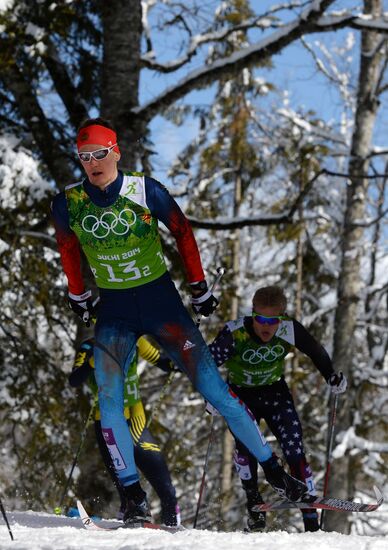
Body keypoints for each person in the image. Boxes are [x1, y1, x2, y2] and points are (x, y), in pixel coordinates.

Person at [51, 117, 308, 527]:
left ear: (115, 152)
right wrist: (77, 293)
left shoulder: (144, 190)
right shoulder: (68, 202)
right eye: (84, 157)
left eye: (100, 154)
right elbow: (67, 248)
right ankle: (133, 497)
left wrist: (199, 287)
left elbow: (182, 231)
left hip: (162, 308)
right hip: (115, 313)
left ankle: (275, 471)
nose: (93, 163)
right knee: (110, 401)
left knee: (217, 392)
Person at [208, 285, 347, 532]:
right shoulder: (235, 332)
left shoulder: (288, 329)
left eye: (273, 320)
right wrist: (213, 396)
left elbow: (315, 351)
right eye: (260, 318)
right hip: (240, 395)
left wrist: (331, 376)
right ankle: (254, 506)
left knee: (294, 447)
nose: (266, 326)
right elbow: (206, 366)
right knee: (246, 448)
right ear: (252, 314)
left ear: (282, 318)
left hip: (275, 392)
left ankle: (310, 519)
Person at [69, 335, 180, 526]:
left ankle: (173, 527)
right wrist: (93, 361)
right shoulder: (89, 346)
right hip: (106, 424)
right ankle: (127, 532)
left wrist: (179, 362)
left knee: (166, 490)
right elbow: (75, 379)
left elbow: (161, 361)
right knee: (126, 493)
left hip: (135, 420)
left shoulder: (134, 339)